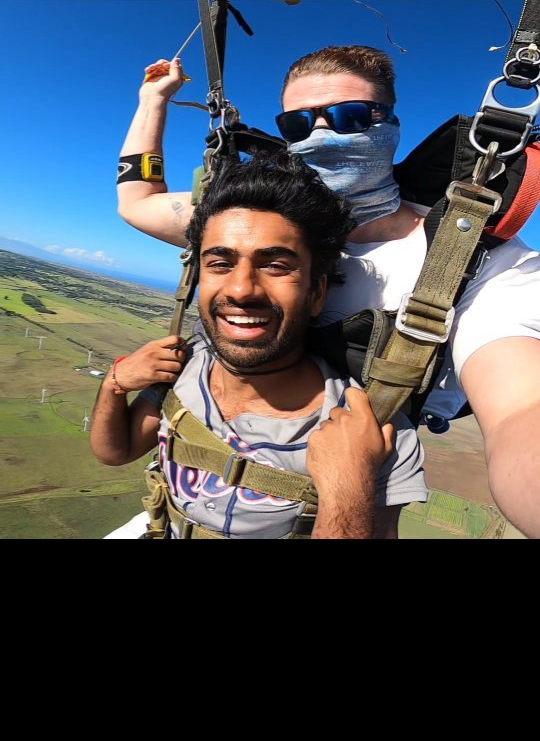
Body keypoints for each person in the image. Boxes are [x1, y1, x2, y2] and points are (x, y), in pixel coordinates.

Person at [116, 48, 540, 539]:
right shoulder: (252, 224)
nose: (322, 134)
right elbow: (138, 200)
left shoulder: (473, 267)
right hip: (190, 493)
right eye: (298, 125)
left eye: (350, 116)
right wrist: (153, 101)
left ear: (392, 125)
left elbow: (520, 409)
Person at [94, 152, 427, 539]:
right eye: (220, 263)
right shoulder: (185, 364)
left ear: (317, 293)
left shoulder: (372, 432)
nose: (240, 289)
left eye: (276, 265)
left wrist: (347, 488)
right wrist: (115, 383)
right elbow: (115, 452)